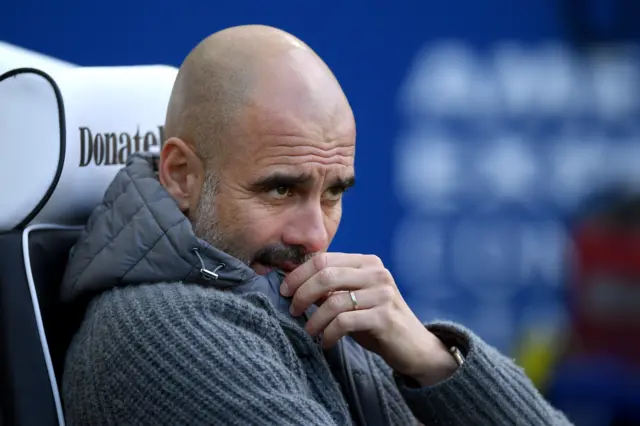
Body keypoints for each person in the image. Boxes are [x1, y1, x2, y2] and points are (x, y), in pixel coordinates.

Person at [60, 25, 572, 426]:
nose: (315, 235)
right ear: (182, 175)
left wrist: (431, 357)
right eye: (280, 188)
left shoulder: (286, 297)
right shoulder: (163, 331)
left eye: (332, 193)